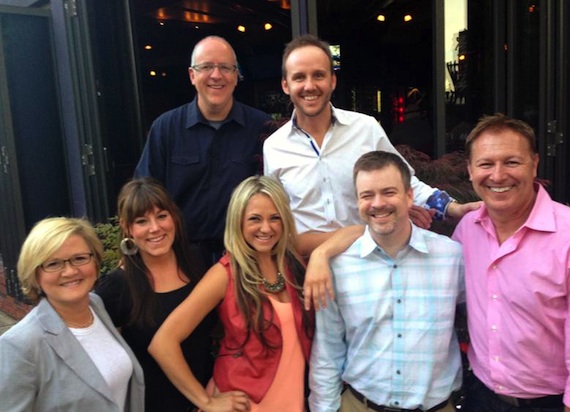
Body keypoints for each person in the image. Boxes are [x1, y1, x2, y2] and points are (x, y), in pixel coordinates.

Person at [263, 34, 479, 248]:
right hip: (306, 272)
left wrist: (451, 209)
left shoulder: (365, 129)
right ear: (285, 85)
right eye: (299, 77)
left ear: (332, 81)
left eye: (318, 75)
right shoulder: (274, 148)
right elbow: (274, 216)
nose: (309, 86)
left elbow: (405, 182)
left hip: (367, 266)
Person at [309, 151, 464, 412]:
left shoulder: (451, 257)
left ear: (409, 196)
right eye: (367, 195)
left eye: (388, 192)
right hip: (360, 405)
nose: (378, 203)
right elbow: (328, 350)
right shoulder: (339, 267)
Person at [149, 175, 313, 412]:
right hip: (243, 403)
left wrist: (320, 256)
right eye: (255, 219)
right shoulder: (225, 274)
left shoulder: (294, 266)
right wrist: (206, 402)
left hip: (292, 402)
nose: (266, 228)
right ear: (238, 222)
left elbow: (354, 234)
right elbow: (163, 343)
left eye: (275, 218)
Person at [451, 114, 570, 412]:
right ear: (470, 171)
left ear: (534, 164)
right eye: (486, 164)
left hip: (551, 404)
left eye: (512, 162)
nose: (498, 175)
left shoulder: (566, 234)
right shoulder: (466, 231)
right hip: (480, 396)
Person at [135, 35, 271, 267]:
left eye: (225, 68)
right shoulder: (166, 128)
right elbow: (143, 196)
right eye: (206, 67)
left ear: (236, 76)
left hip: (244, 260)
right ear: (192, 75)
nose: (216, 75)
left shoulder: (261, 127)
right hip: (179, 260)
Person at [95, 177, 217, 411]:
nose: (155, 228)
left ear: (173, 217)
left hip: (209, 396)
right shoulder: (118, 286)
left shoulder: (198, 261)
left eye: (161, 216)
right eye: (142, 221)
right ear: (127, 227)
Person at [0, 217, 144, 412]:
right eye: (53, 264)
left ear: (95, 262)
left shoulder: (96, 305)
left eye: (79, 258)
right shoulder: (19, 345)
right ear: (35, 274)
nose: (69, 271)